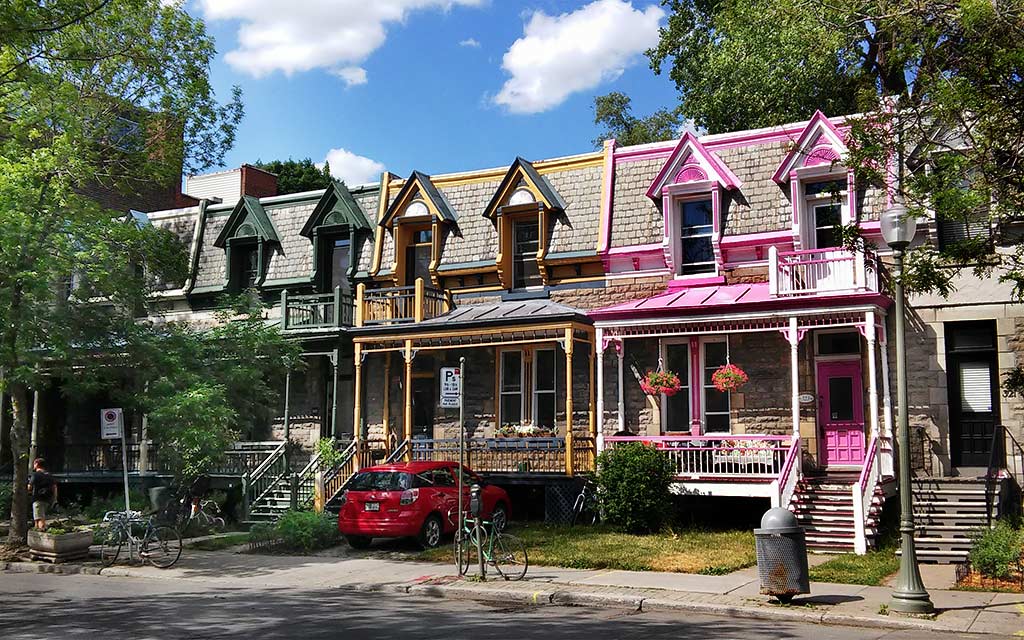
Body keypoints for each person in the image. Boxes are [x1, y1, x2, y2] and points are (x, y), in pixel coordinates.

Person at [27, 458, 56, 531]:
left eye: (34, 464)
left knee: (40, 519)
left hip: (38, 499)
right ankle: (37, 535)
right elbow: (54, 488)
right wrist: (54, 499)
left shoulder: (36, 475)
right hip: (47, 499)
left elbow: (29, 487)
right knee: (37, 518)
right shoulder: (49, 475)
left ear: (36, 464)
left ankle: (43, 534)